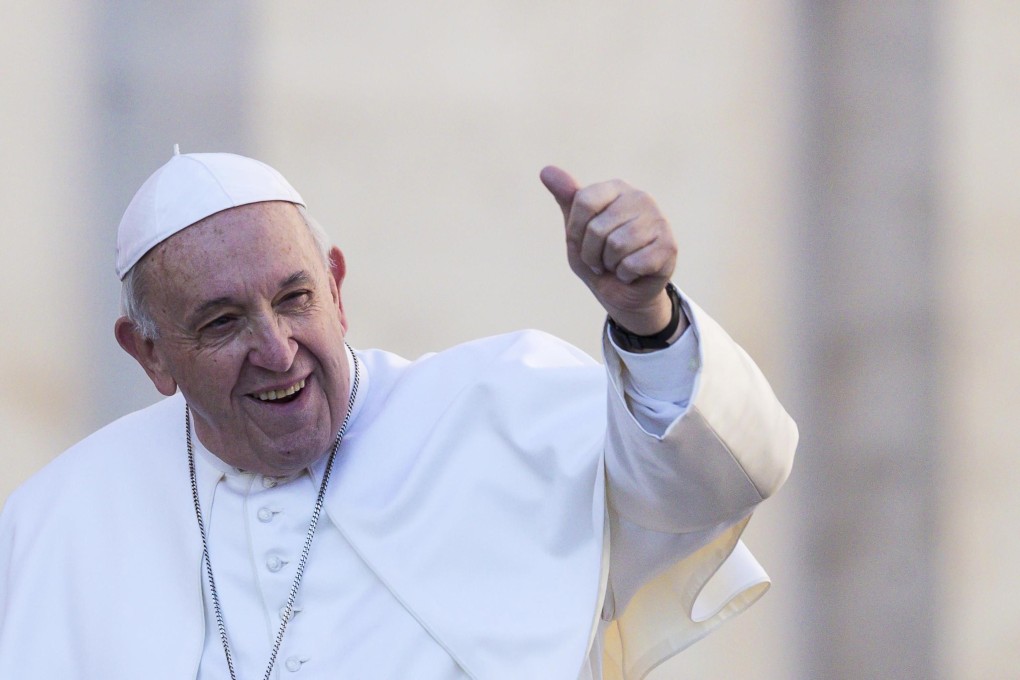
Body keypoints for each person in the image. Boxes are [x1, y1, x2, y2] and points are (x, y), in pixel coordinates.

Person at [0, 150, 797, 680]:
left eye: (295, 298)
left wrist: (647, 317)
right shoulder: (55, 526)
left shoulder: (501, 403)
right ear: (149, 356)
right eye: (221, 323)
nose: (278, 352)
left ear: (338, 286)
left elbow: (717, 482)